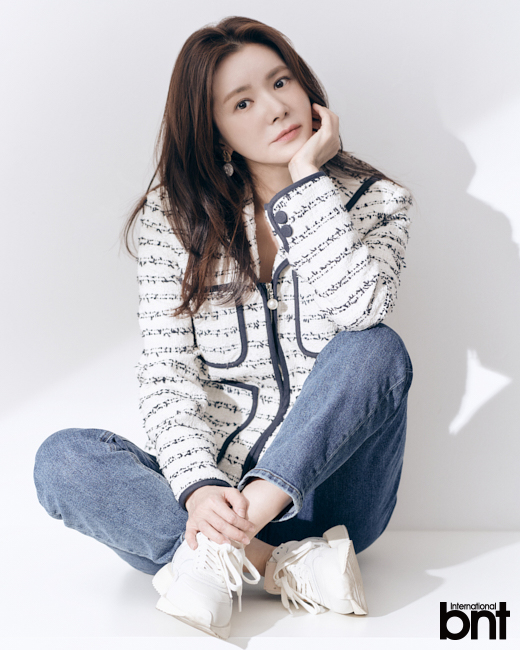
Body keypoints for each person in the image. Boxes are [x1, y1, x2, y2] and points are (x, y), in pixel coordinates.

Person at [33, 15, 413, 640]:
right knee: (63, 460)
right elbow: (168, 373)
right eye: (242, 102)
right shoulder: (175, 220)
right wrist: (198, 489)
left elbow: (360, 312)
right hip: (214, 494)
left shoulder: (376, 201)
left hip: (334, 501)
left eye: (281, 82)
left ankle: (216, 555)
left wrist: (308, 180)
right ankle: (278, 565)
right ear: (215, 132)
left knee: (376, 347)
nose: (276, 107)